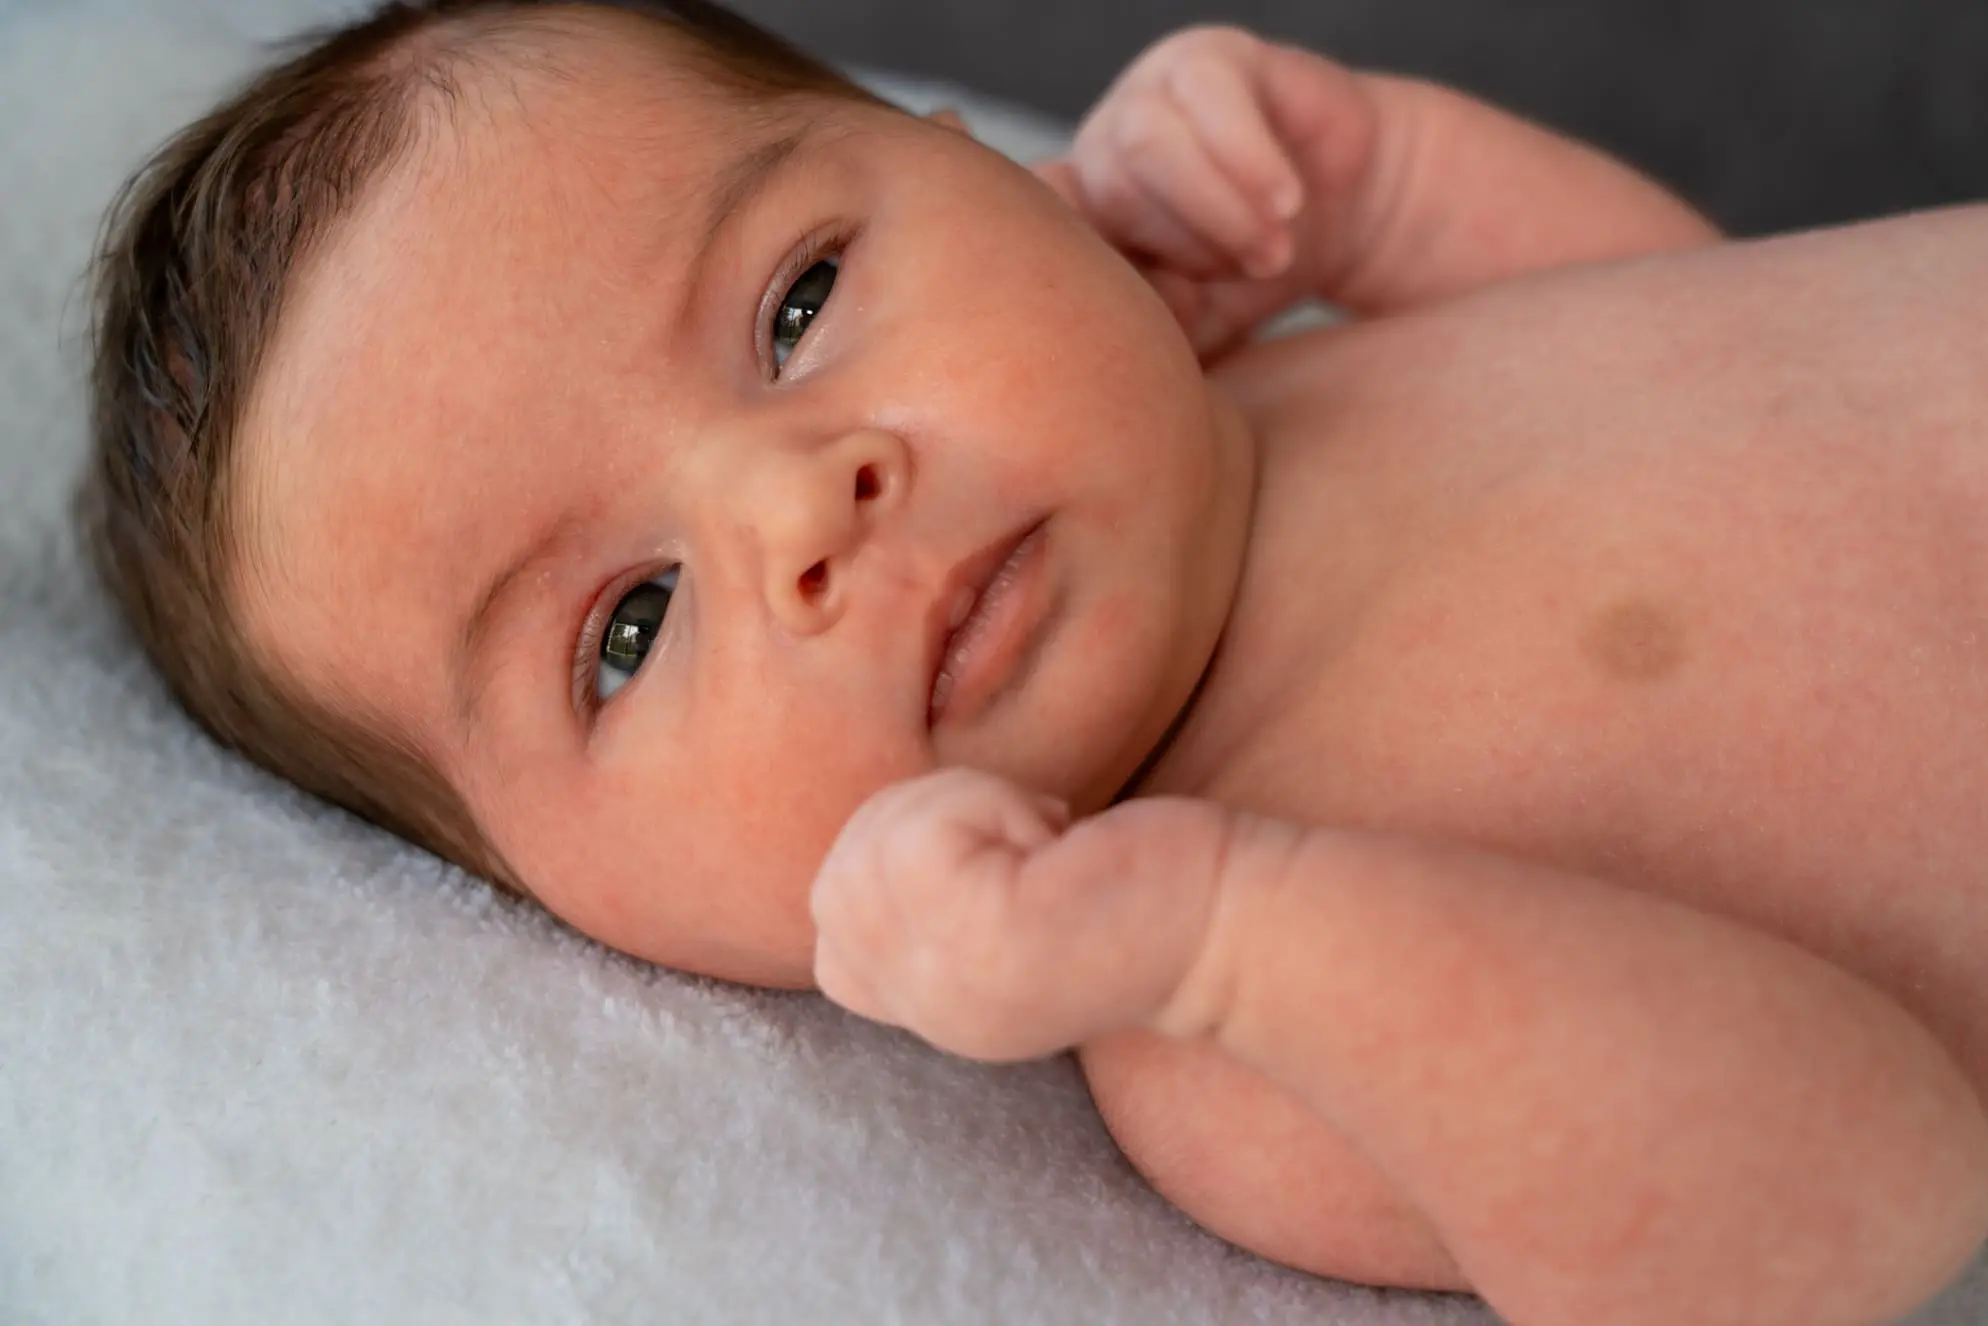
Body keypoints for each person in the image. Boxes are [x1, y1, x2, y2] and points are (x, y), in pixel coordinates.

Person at [82, 3, 1988, 1322]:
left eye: (799, 300)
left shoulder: (1327, 354)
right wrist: (1230, 932)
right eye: (630, 627)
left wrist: (1380, 181)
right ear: (582, 918)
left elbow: (1717, 329)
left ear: (987, 168)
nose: (797, 505)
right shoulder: (1242, 1041)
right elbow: (1873, 1210)